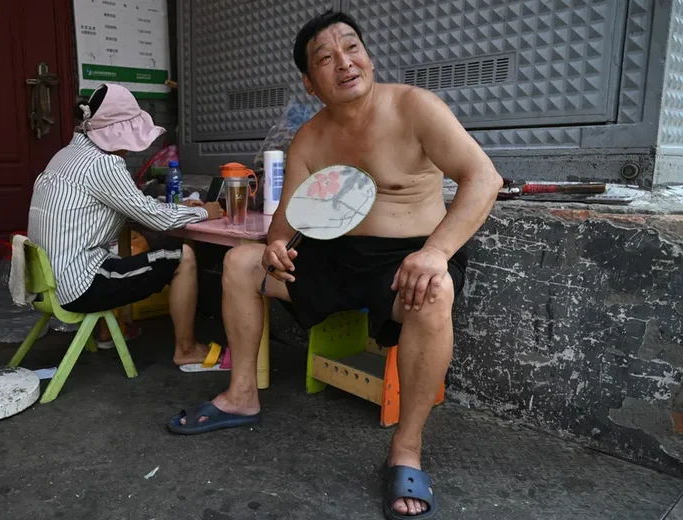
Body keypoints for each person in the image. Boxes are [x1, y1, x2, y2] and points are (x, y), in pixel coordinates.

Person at [166, 10, 504, 519]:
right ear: (309, 82)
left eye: (352, 47)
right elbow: (284, 225)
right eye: (325, 58)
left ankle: (406, 449)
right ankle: (241, 397)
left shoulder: (416, 107)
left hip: (406, 254)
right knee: (239, 262)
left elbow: (484, 178)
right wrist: (277, 247)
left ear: (367, 55)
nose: (344, 62)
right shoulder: (310, 139)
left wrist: (435, 252)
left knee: (435, 293)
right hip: (334, 256)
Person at [28, 83, 225, 368]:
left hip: (48, 285)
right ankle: (186, 349)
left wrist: (178, 208)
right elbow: (155, 219)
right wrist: (204, 213)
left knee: (119, 252)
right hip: (79, 287)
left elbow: (136, 207)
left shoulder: (65, 156)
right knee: (183, 256)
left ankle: (108, 330)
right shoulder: (104, 164)